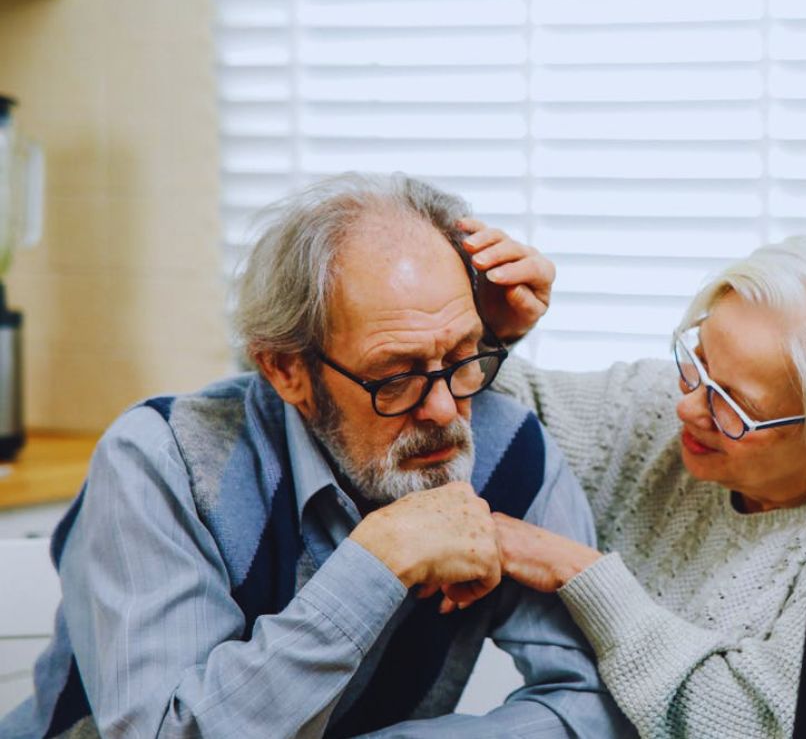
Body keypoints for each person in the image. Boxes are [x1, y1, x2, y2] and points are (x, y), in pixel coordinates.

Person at [0, 173, 633, 739]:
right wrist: (378, 563)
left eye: (464, 354)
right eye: (396, 374)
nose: (444, 409)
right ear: (286, 370)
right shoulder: (160, 463)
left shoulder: (506, 449)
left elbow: (594, 702)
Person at [482, 235, 806, 738]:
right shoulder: (656, 408)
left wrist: (577, 571)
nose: (687, 408)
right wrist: (488, 335)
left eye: (735, 406)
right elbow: (495, 418)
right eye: (698, 362)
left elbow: (753, 726)